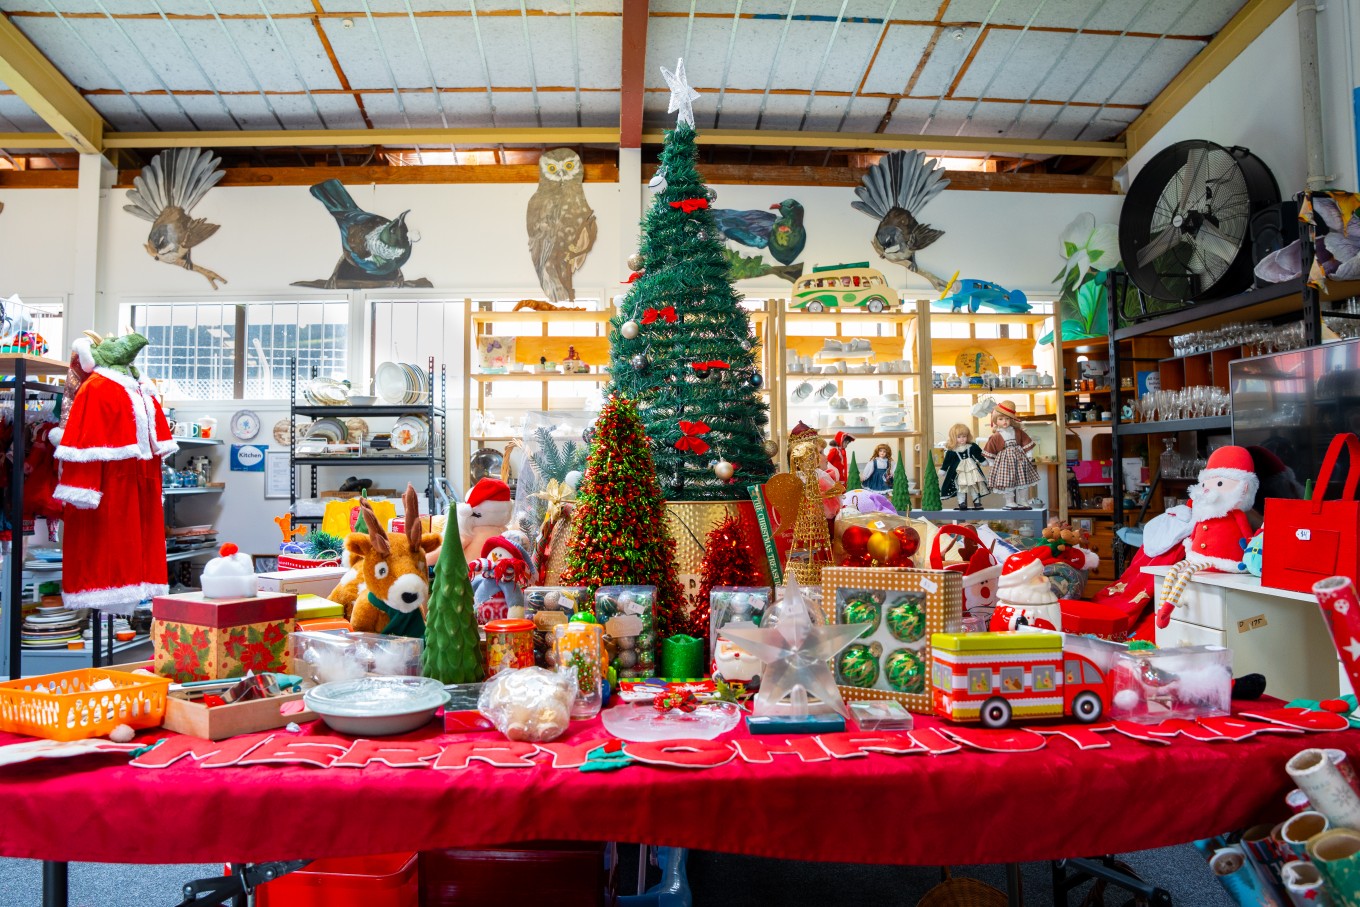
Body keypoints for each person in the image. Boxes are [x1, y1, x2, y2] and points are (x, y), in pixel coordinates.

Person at [982, 401, 1039, 510]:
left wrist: (1029, 454)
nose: (1004, 421)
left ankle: (1023, 500)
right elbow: (990, 450)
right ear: (995, 421)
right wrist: (992, 463)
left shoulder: (1017, 431)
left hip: (1020, 460)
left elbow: (1026, 442)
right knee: (1008, 482)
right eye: (1001, 419)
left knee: (1023, 480)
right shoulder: (996, 436)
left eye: (1007, 419)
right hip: (1005, 463)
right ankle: (1010, 501)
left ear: (1011, 420)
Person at [940, 423, 988, 510]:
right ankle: (961, 503)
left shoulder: (972, 446)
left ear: (967, 436)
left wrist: (983, 461)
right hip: (959, 472)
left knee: (974, 485)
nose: (962, 439)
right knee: (961, 487)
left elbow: (978, 454)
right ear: (954, 438)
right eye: (959, 437)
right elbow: (947, 461)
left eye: (964, 436)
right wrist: (943, 469)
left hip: (972, 470)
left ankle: (976, 502)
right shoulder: (952, 450)